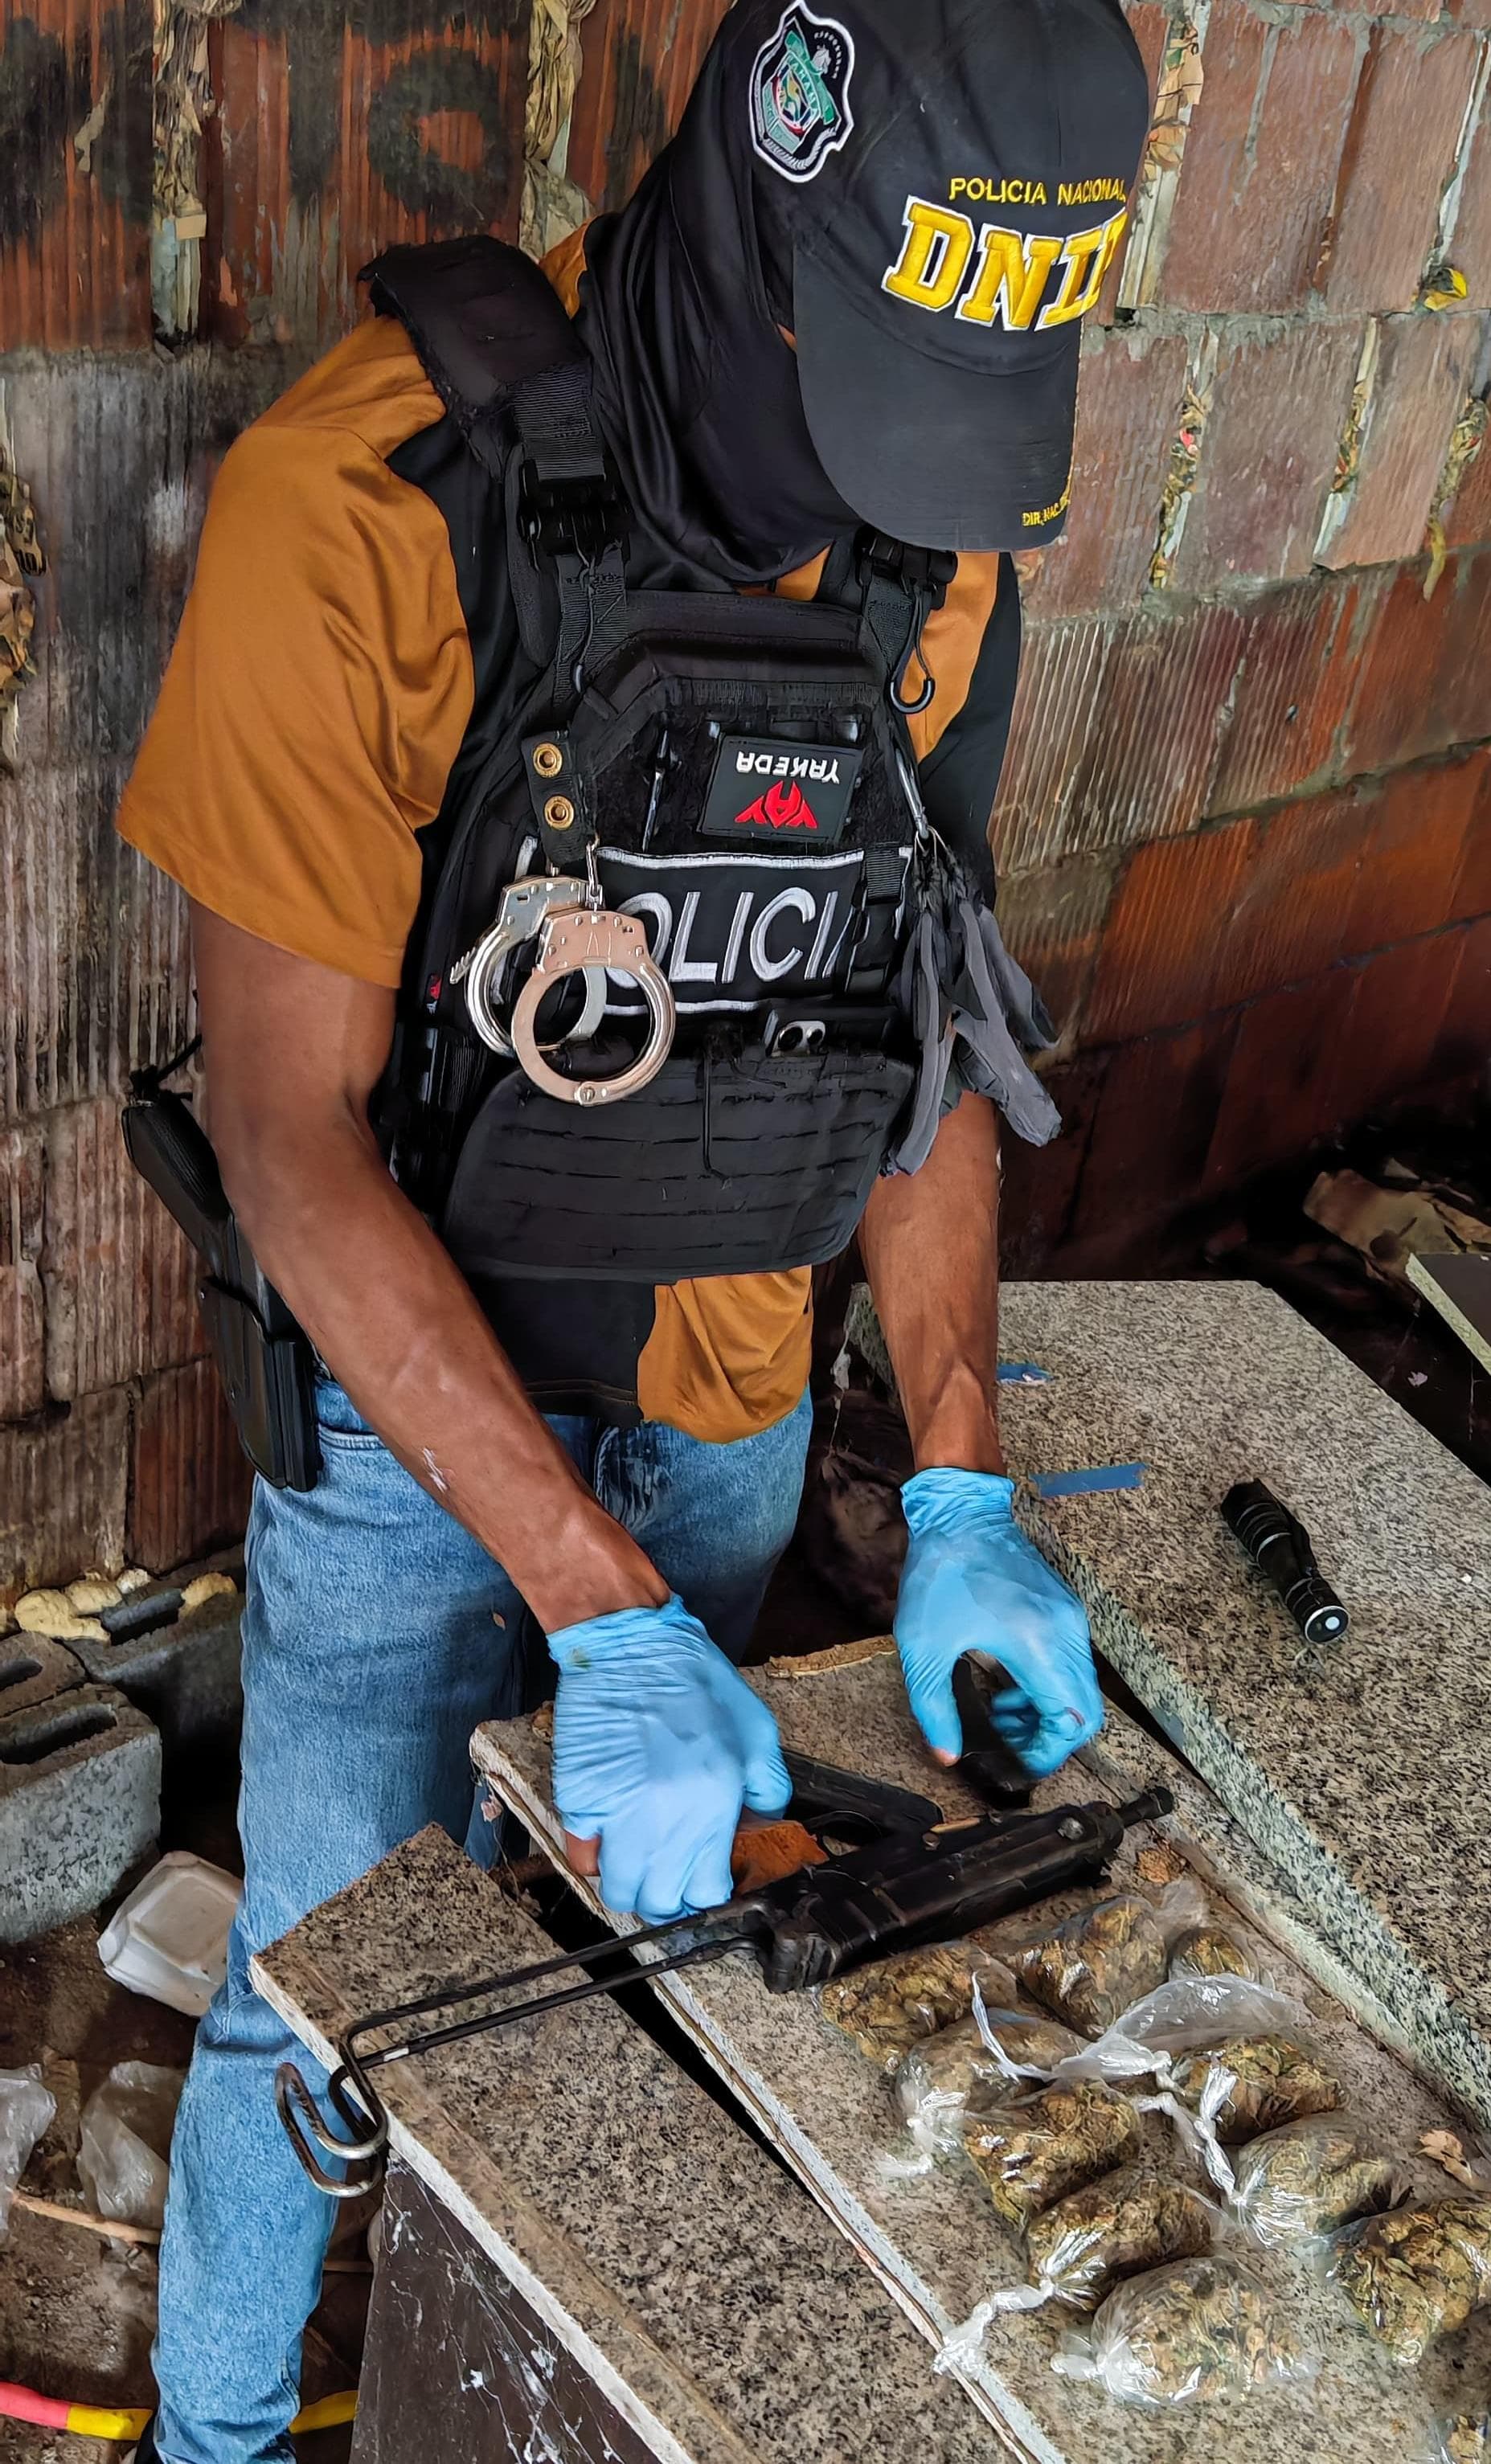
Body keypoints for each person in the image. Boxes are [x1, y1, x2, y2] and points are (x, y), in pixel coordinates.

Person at [116, 0, 1149, 2453]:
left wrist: (965, 1478)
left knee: (637, 1995)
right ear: (742, 227)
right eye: (859, 395)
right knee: (329, 1993)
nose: (878, 496)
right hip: (401, 1447)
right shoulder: (369, 502)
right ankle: (219, 2435)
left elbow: (919, 1026)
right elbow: (286, 1131)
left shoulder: (930, 556)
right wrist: (595, 1606)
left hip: (727, 1396)